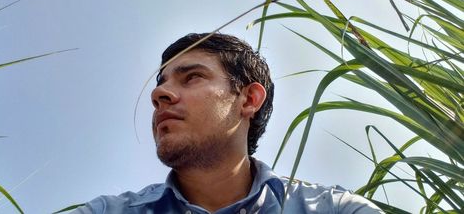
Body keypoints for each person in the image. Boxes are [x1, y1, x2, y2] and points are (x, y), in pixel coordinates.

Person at [73, 33, 383, 213]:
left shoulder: (331, 208)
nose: (159, 94)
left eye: (192, 77)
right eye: (162, 83)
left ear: (249, 99)